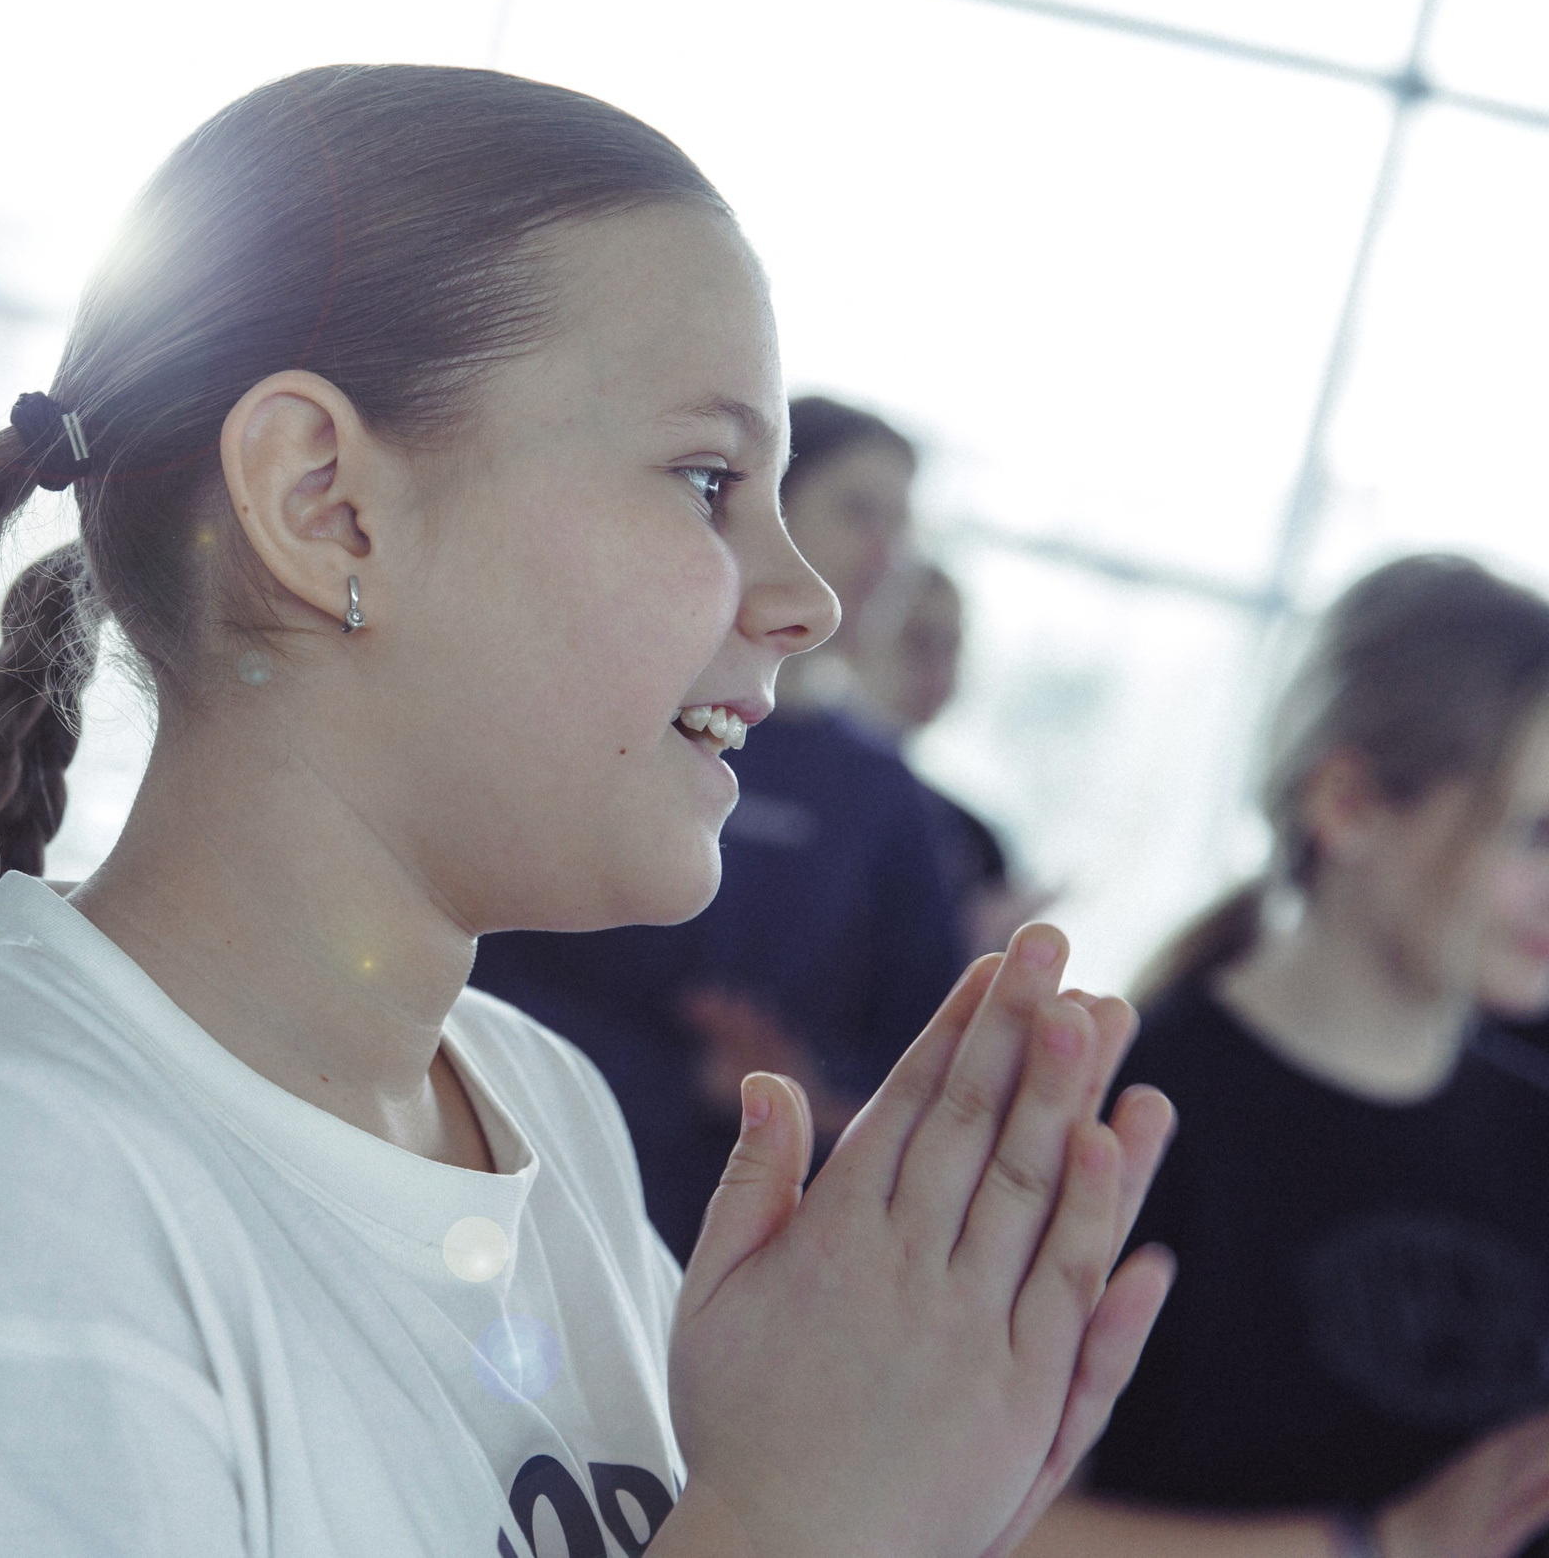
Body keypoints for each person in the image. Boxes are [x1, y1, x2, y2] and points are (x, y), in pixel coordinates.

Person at [0, 64, 1178, 1557]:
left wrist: (889, 1497)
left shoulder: (543, 1112)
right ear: (327, 504)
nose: (808, 597)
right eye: (704, 478)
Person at [1021, 555, 1549, 1558]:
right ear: (1347, 804)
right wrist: (1369, 1544)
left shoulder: (1533, 1133)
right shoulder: (1125, 1118)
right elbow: (956, 1529)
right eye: (1535, 833)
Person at [470, 395, 967, 1255]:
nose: (887, 556)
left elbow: (919, 1042)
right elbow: (483, 958)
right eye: (859, 511)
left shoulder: (885, 797)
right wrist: (680, 1080)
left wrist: (802, 1091)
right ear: (767, 512)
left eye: (904, 525)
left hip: (748, 1243)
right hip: (535, 1188)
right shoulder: (635, 718)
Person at [859, 559, 1056, 961]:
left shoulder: (975, 842)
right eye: (918, 640)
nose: (940, 668)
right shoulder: (775, 790)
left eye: (952, 645)